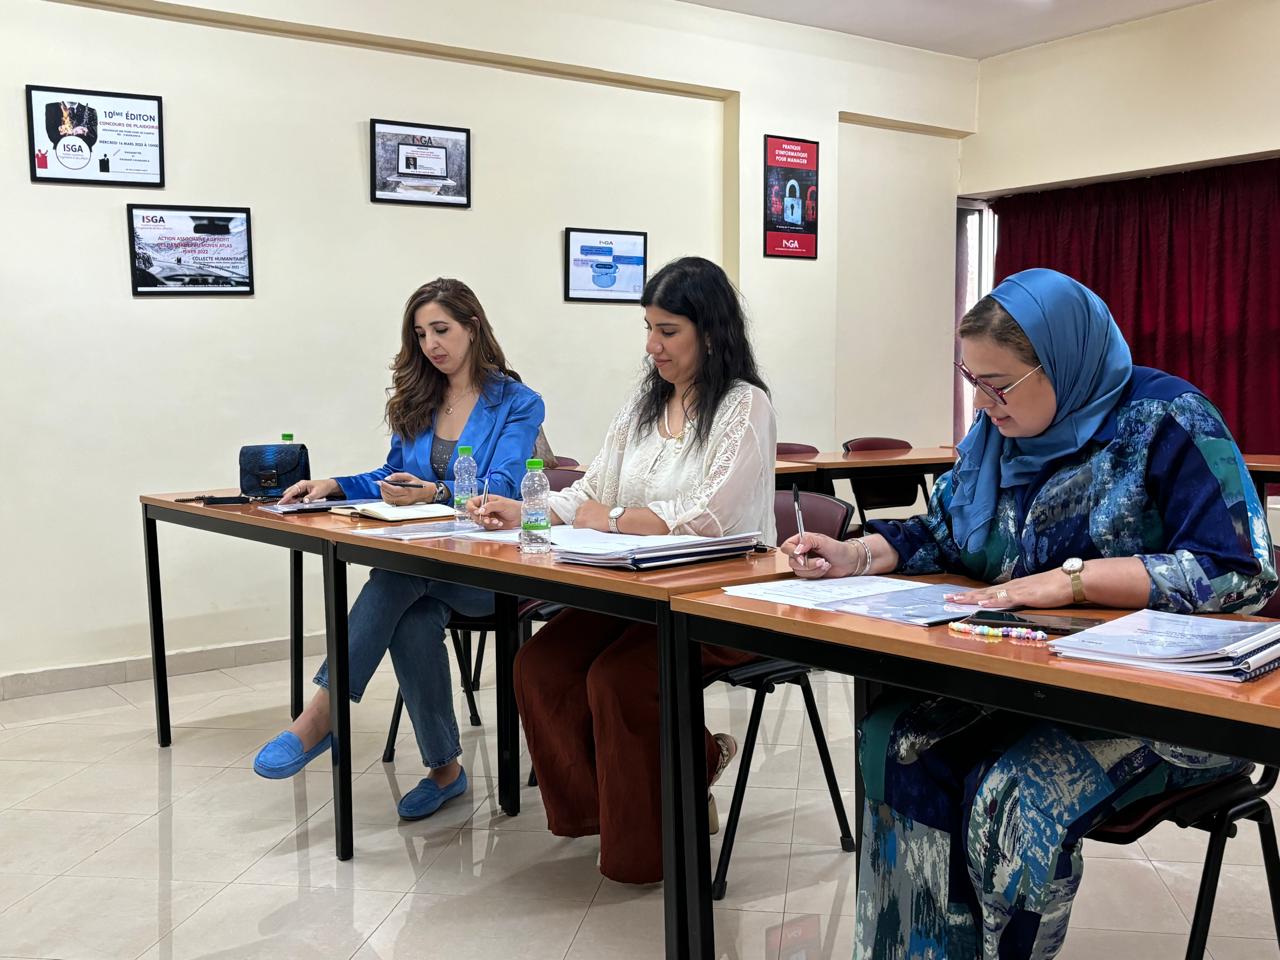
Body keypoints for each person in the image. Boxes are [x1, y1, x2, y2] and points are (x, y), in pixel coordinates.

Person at [784, 268, 1277, 959]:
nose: (982, 403)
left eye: (999, 384)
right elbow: (943, 534)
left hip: (1167, 704)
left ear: (1061, 363)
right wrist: (855, 554)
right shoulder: (1000, 439)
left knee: (1013, 794)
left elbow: (1242, 570)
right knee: (894, 742)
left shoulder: (1167, 421)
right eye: (972, 380)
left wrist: (1074, 583)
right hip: (1033, 686)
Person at [470, 256, 777, 883]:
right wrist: (526, 509)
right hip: (637, 590)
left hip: (722, 598)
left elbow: (705, 518)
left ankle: (647, 845)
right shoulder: (644, 405)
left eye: (668, 331)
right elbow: (590, 490)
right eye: (648, 329)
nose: (652, 346)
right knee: (540, 664)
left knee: (619, 678)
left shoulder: (744, 406)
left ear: (710, 332)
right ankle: (607, 813)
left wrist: (610, 519)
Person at [252, 278, 544, 821]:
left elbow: (504, 485)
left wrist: (434, 493)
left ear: (472, 328)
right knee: (409, 611)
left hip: (490, 572)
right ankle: (446, 771)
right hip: (426, 565)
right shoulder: (420, 398)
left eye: (442, 330)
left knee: (394, 578)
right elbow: (392, 475)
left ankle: (322, 716)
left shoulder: (518, 402)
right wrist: (334, 485)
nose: (431, 344)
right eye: (421, 334)